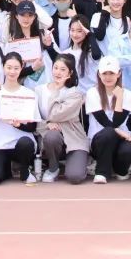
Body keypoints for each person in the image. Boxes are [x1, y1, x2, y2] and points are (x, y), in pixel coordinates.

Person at [0, 52, 41, 186]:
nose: (12, 72)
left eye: (16, 68)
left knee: (26, 143)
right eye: (9, 67)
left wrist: (19, 125)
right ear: (3, 67)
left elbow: (32, 127)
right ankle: (6, 168)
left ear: (22, 67)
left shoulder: (29, 94)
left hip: (21, 144)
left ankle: (25, 170)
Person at [35, 54, 89, 184]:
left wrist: (57, 89)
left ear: (70, 73)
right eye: (56, 68)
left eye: (63, 69)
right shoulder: (39, 90)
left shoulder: (75, 93)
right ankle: (53, 168)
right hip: (51, 137)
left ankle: (78, 162)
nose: (58, 72)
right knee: (51, 136)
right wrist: (47, 124)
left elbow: (55, 114)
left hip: (74, 138)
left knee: (75, 176)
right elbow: (34, 117)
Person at [86, 56, 131, 184]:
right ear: (99, 74)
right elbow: (106, 123)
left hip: (120, 140)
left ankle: (120, 170)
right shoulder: (92, 93)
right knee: (108, 133)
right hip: (99, 140)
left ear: (119, 73)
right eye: (104, 73)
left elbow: (117, 122)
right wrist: (124, 134)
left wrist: (119, 98)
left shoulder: (127, 94)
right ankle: (101, 172)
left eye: (112, 73)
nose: (108, 77)